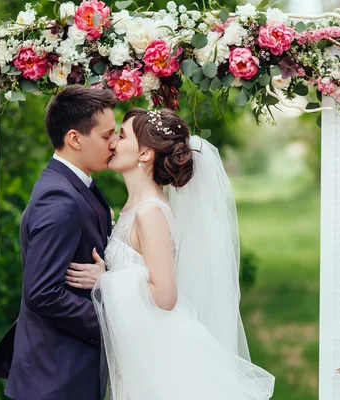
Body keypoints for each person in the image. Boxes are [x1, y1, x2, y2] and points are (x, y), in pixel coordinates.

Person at [66, 108, 276, 400]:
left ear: (145, 154)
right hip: (137, 348)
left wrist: (105, 280)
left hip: (158, 354)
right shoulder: (133, 208)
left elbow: (165, 296)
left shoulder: (150, 212)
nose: (113, 142)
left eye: (123, 135)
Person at [0, 85, 117, 400]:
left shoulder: (75, 187)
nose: (114, 143)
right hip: (56, 378)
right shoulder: (60, 198)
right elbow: (42, 293)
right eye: (106, 135)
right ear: (74, 138)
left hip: (67, 373)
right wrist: (113, 326)